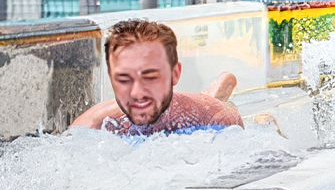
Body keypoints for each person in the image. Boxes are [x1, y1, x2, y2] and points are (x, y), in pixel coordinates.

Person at [72, 19, 243, 135]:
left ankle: (212, 96)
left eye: (150, 78)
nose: (137, 93)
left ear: (175, 74)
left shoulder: (214, 117)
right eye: (124, 79)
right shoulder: (96, 123)